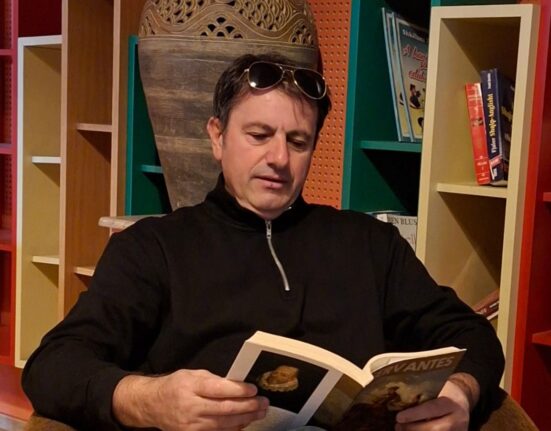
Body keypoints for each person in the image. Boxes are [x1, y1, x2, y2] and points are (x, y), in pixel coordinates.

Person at [22, 52, 504, 431]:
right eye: (258, 134)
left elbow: (472, 335)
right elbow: (52, 366)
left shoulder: (370, 243)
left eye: (298, 142)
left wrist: (460, 392)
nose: (279, 158)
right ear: (217, 136)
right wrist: (148, 400)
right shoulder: (153, 247)